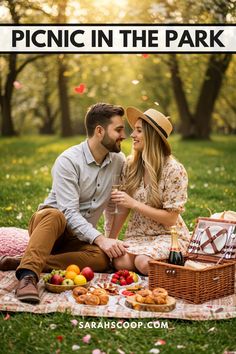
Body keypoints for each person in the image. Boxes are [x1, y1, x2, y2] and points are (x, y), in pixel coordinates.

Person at [0, 103, 128, 303]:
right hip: (50, 227)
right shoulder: (68, 160)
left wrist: (109, 240)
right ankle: (27, 277)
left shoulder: (119, 161)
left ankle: (28, 261)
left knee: (101, 259)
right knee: (55, 214)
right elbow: (68, 212)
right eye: (119, 129)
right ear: (99, 131)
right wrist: (101, 239)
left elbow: (114, 203)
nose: (124, 135)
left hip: (78, 239)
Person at [109, 106, 190, 275]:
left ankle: (175, 269)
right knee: (119, 262)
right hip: (138, 235)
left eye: (138, 131)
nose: (132, 135)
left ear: (152, 136)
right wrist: (111, 239)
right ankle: (160, 268)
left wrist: (134, 204)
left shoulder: (173, 170)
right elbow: (123, 208)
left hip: (168, 236)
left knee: (143, 262)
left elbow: (171, 219)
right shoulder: (131, 165)